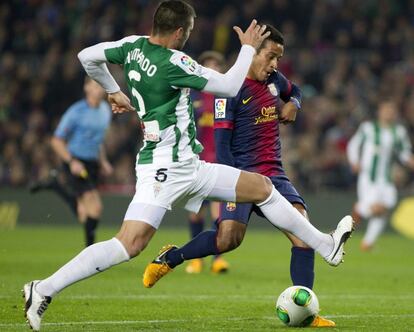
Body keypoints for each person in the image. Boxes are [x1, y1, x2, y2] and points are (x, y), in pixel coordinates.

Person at [23, 1, 353, 331]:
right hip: (168, 170)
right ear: (180, 31)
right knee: (129, 244)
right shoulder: (174, 62)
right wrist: (247, 49)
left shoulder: (132, 47)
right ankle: (43, 289)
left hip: (183, 165)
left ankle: (326, 245)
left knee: (263, 188)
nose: (190, 37)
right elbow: (227, 86)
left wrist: (114, 90)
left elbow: (86, 57)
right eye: (190, 31)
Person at [143, 25, 335, 327]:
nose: (275, 65)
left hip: (275, 175)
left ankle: (305, 308)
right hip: (243, 177)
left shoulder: (274, 81)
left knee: (304, 233)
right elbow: (221, 148)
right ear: (252, 54)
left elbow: (294, 91)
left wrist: (293, 104)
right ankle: (171, 258)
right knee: (228, 239)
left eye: (278, 59)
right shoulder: (228, 90)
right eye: (271, 57)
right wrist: (234, 186)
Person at [30, 77, 113, 247]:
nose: (99, 89)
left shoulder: (105, 110)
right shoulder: (76, 112)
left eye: (101, 85)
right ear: (86, 87)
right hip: (76, 162)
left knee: (84, 213)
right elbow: (56, 141)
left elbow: (99, 140)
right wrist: (72, 161)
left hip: (92, 163)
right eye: (95, 85)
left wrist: (103, 161)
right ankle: (90, 251)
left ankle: (56, 186)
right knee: (96, 207)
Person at [347, 100, 414, 251]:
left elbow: (404, 153)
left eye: (392, 110)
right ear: (380, 111)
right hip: (368, 177)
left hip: (387, 179)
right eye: (386, 109)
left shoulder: (399, 132)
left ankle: (367, 243)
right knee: (377, 209)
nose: (389, 113)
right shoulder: (368, 128)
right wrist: (354, 162)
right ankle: (359, 210)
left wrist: (410, 161)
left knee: (384, 209)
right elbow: (354, 145)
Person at [186, 50, 229, 274]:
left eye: (216, 65)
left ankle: (217, 259)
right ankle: (196, 260)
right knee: (195, 213)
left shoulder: (226, 97)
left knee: (218, 213)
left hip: (219, 163)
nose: (212, 69)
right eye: (208, 65)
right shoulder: (193, 98)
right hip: (195, 163)